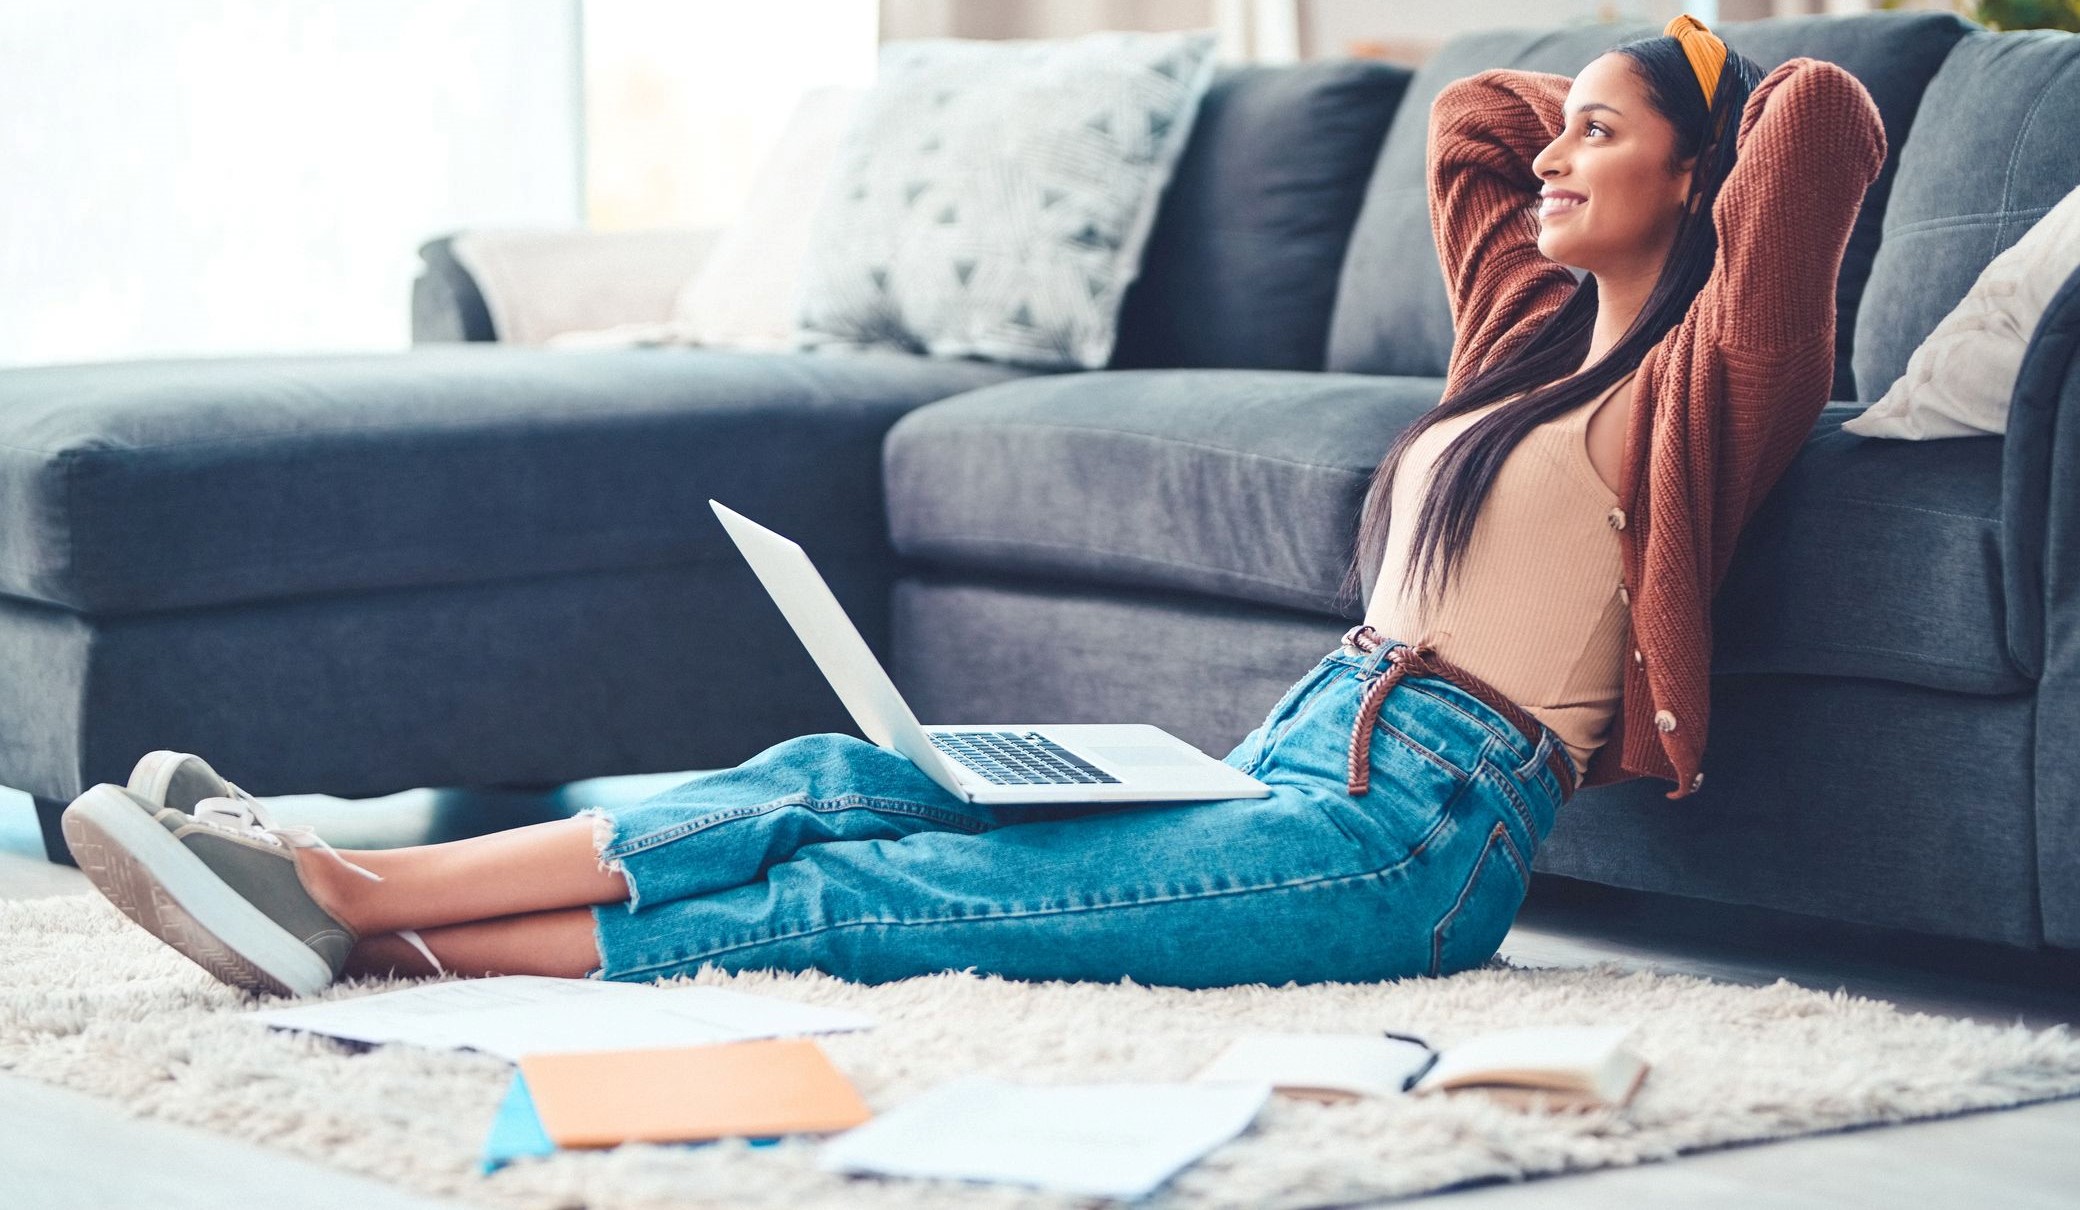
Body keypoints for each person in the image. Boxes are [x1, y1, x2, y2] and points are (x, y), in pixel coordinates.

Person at [60, 16, 1886, 1000]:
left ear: (1696, 177)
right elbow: (1468, 129)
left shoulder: (1702, 388)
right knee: (840, 773)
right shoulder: (1523, 340)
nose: (1549, 151)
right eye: (1566, 125)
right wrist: (1607, 101)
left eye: (1602, 131)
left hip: (1415, 841)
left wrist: (1704, 71)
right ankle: (330, 861)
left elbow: (1822, 131)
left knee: (885, 891)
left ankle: (341, 920)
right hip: (1290, 754)